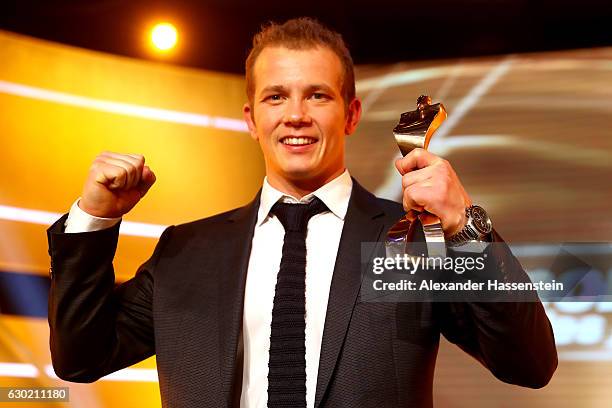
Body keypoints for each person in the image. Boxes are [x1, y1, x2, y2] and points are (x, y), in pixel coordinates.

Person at [47, 17, 557, 408]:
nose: (296, 114)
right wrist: (95, 220)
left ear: (351, 113)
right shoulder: (187, 252)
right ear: (251, 118)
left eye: (318, 95)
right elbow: (80, 358)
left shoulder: (410, 244)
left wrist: (466, 223)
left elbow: (529, 363)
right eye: (276, 96)